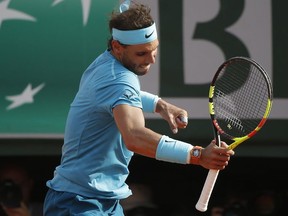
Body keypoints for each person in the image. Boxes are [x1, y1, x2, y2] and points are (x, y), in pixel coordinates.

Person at [43, 1, 234, 215]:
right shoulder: (119, 79)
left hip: (104, 200)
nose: (151, 59)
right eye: (141, 53)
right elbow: (135, 137)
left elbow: (114, 96)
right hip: (77, 203)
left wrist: (159, 105)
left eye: (154, 49)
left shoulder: (105, 64)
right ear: (117, 46)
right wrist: (197, 155)